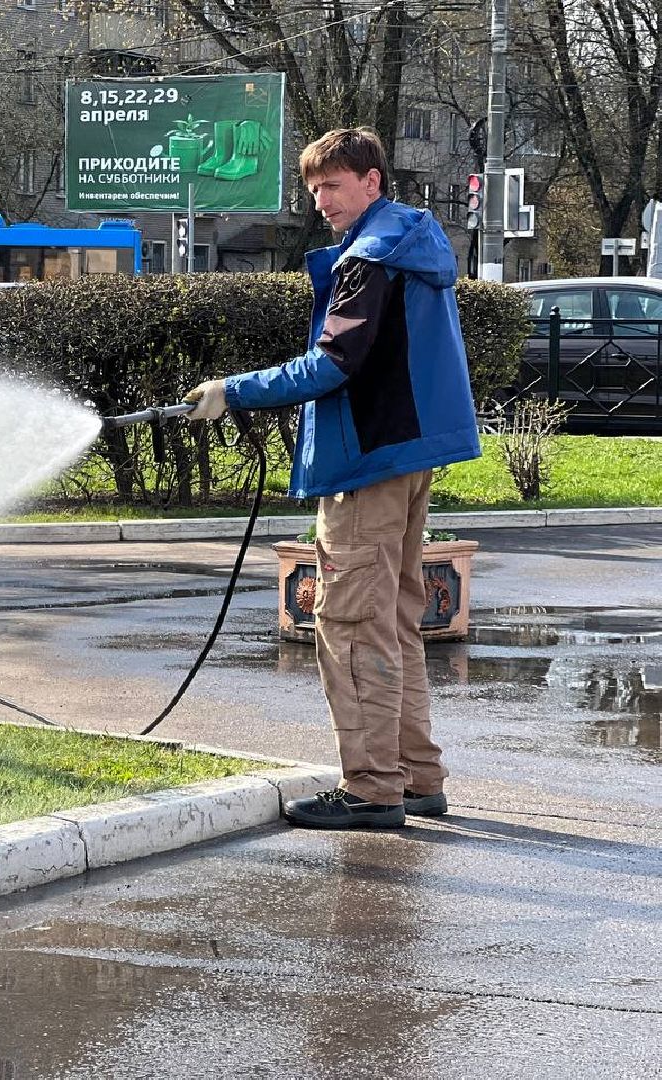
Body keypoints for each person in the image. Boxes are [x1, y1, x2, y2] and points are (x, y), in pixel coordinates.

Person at [184, 128, 481, 829]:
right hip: (405, 457)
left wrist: (233, 389)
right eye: (315, 187)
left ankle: (372, 788)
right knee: (394, 623)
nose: (321, 199)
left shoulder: (370, 257)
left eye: (334, 185)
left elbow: (331, 365)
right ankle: (415, 777)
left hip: (366, 464)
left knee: (349, 626)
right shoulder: (412, 243)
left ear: (372, 182)